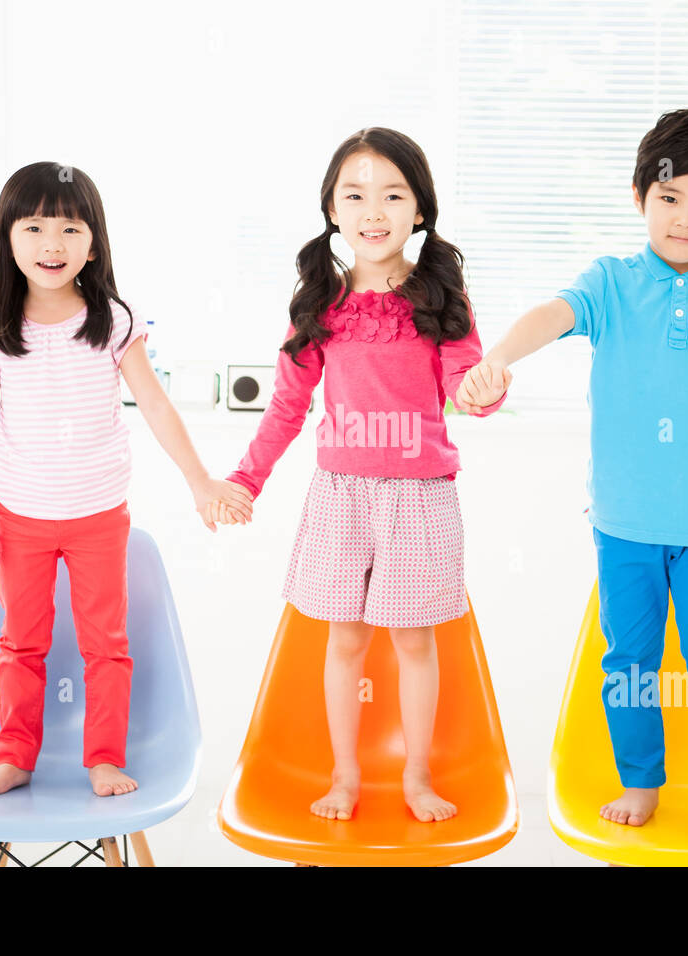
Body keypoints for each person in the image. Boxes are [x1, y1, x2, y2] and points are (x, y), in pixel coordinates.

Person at [461, 109, 688, 841]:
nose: (685, 219)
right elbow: (553, 313)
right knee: (628, 660)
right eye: (670, 198)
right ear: (640, 195)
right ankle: (641, 783)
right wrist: (498, 358)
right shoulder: (608, 283)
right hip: (623, 526)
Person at [209, 128, 507, 822]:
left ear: (420, 211)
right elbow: (288, 404)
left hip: (420, 498)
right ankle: (344, 776)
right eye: (356, 194)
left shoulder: (441, 297)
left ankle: (417, 778)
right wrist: (246, 481)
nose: (374, 210)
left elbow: (467, 385)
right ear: (333, 211)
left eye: (393, 194)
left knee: (414, 642)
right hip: (341, 498)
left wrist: (485, 390)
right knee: (343, 641)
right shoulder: (320, 305)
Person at [0, 161, 252, 798]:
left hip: (97, 517)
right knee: (21, 644)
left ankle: (104, 759)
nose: (52, 244)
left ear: (94, 243)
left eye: (69, 228)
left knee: (106, 645)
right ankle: (14, 756)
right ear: (8, 240)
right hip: (21, 519)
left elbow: (155, 405)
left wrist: (201, 482)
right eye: (33, 227)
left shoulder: (112, 321)